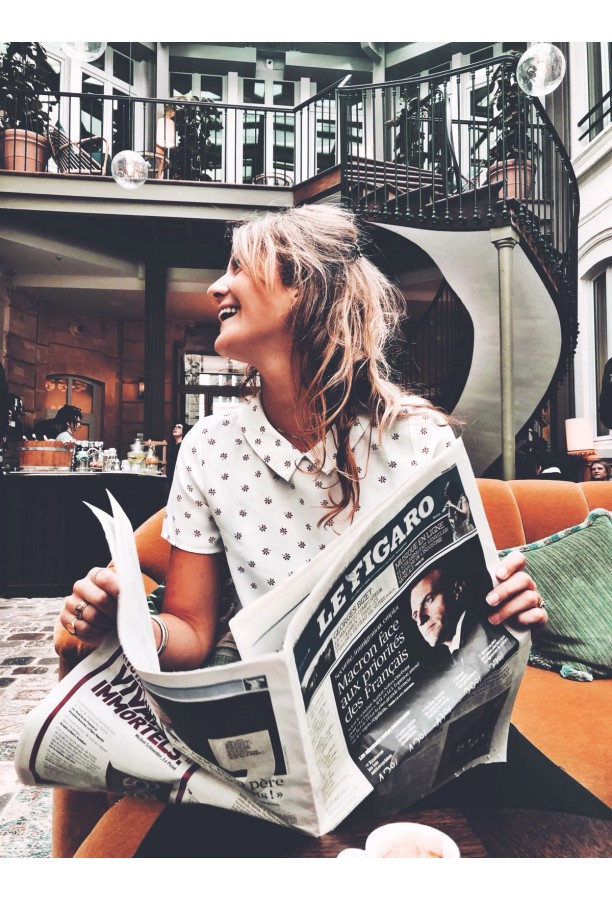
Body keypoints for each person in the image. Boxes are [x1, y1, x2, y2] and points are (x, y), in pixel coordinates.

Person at [60, 206, 548, 850]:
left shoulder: (419, 438)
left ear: (305, 289)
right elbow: (191, 635)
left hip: (411, 729)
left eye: (238, 266)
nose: (215, 287)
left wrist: (507, 603)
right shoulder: (209, 447)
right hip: (276, 751)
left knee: (556, 837)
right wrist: (132, 623)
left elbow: (459, 608)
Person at [409, 561, 503, 660]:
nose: (420, 620)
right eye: (415, 615)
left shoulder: (487, 630)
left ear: (457, 590)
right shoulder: (457, 653)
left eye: (428, 600)